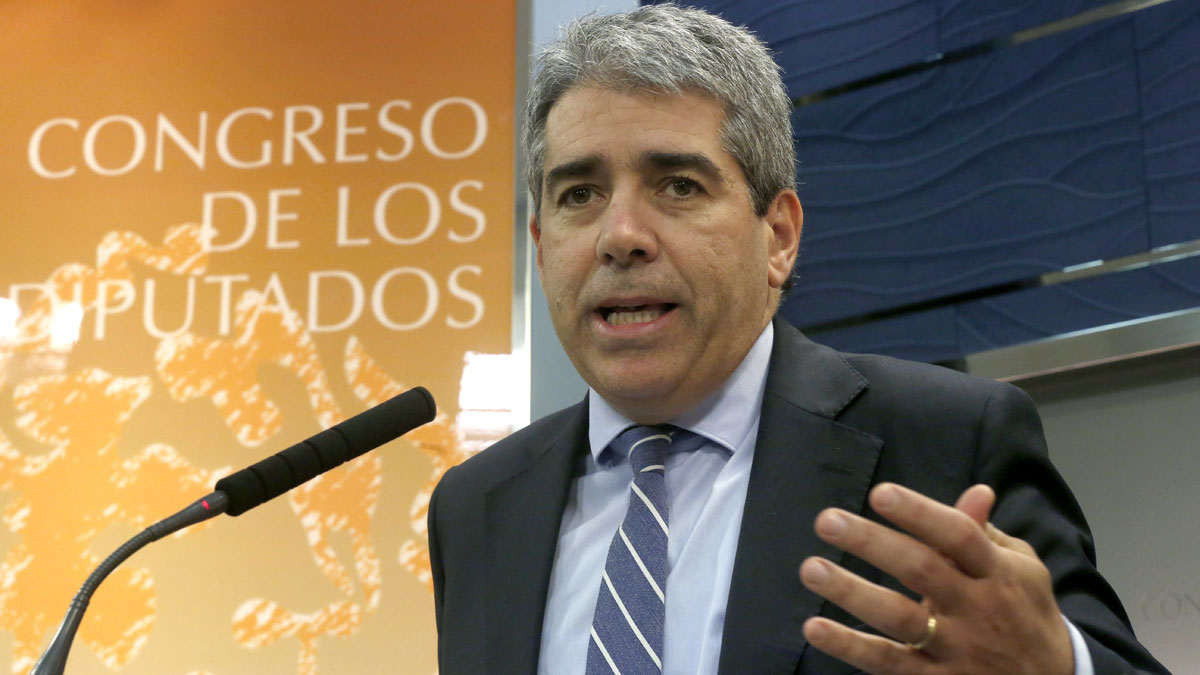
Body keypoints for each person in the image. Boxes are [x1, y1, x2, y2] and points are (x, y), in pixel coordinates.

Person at [427, 5, 1167, 674]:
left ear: (778, 236)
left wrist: (1055, 666)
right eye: (580, 195)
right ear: (541, 247)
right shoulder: (476, 506)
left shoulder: (945, 440)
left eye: (679, 185)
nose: (620, 235)